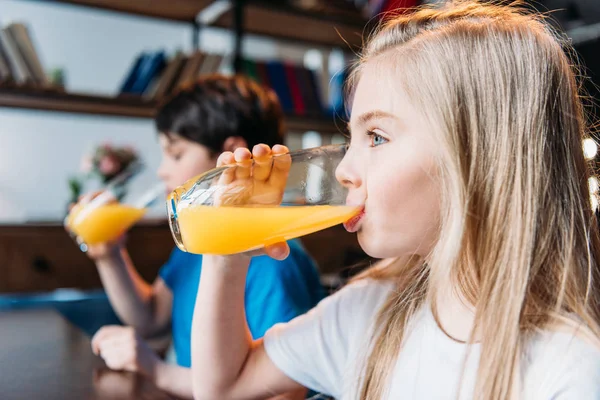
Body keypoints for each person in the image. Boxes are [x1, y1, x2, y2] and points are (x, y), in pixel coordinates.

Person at [189, 2, 600, 399]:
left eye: (377, 137)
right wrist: (227, 255)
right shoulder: (367, 311)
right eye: (351, 138)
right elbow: (225, 386)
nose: (343, 170)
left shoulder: (570, 369)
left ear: (478, 156)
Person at [84, 75, 324, 399]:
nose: (161, 171)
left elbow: (281, 393)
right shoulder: (197, 237)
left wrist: (157, 370)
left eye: (177, 153)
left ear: (231, 154)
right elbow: (152, 317)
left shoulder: (273, 259)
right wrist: (110, 254)